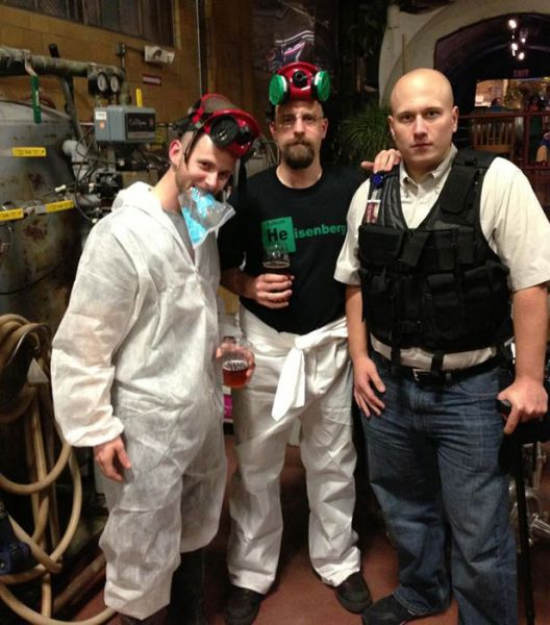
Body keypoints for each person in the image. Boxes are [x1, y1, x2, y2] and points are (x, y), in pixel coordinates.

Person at [335, 67, 550, 625]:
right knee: (404, 507)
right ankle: (422, 590)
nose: (420, 127)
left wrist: (529, 378)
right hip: (389, 387)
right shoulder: (370, 193)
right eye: (407, 117)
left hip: (471, 389)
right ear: (392, 127)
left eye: (432, 114)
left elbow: (532, 283)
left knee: (479, 531)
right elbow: (355, 281)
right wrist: (359, 357)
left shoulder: (497, 182)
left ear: (455, 119)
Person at [51, 94, 260, 625]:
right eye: (205, 165)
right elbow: (84, 341)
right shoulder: (122, 236)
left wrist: (222, 343)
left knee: (192, 540)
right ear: (175, 152)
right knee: (142, 560)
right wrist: (98, 429)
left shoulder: (198, 227)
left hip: (197, 419)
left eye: (224, 174)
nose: (213, 182)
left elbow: (198, 304)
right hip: (145, 431)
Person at [217, 61, 373, 625]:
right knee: (256, 465)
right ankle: (250, 572)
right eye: (288, 119)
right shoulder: (249, 195)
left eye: (309, 118)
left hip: (329, 345)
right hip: (266, 348)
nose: (299, 127)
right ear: (274, 129)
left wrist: (387, 165)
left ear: (324, 128)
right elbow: (220, 266)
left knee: (333, 461)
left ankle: (338, 560)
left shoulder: (351, 190)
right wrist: (247, 284)